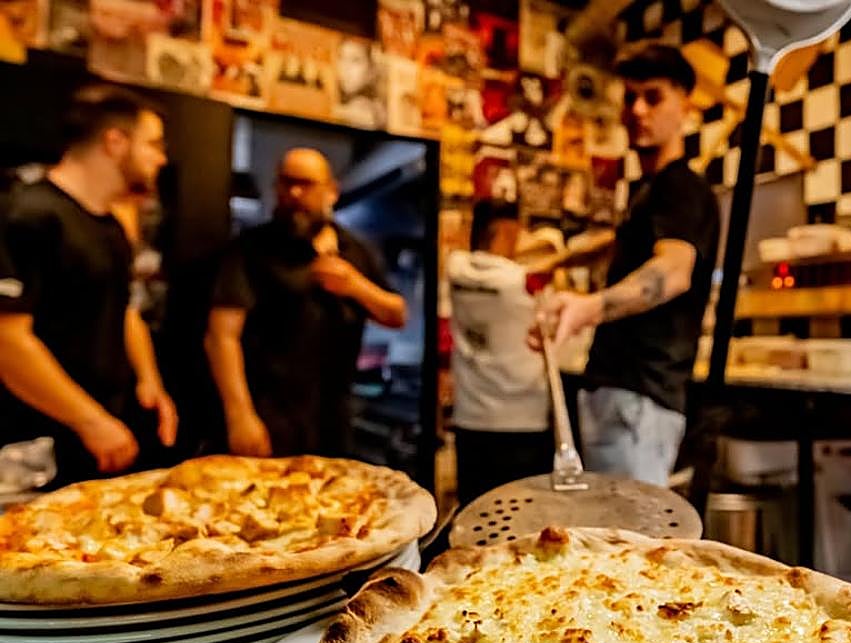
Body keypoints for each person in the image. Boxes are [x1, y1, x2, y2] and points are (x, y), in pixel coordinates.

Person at [530, 45, 719, 486]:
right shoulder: (648, 193)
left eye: (653, 98)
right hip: (621, 394)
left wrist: (587, 308)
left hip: (641, 397)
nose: (637, 111)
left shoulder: (683, 189)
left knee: (625, 546)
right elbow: (614, 240)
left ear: (685, 105)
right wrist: (553, 258)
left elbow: (672, 271)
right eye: (629, 99)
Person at [0, 84, 176, 487]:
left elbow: (124, 307)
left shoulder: (110, 226)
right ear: (115, 142)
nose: (161, 158)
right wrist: (90, 420)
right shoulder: (28, 213)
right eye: (152, 144)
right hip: (33, 444)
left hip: (99, 433)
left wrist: (150, 382)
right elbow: (8, 341)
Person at [205, 148, 408, 458]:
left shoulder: (355, 250)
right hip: (267, 416)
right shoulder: (250, 249)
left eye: (306, 184)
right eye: (286, 183)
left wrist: (355, 286)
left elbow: (397, 314)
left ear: (331, 191)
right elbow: (221, 336)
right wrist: (240, 415)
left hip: (332, 419)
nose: (295, 193)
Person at [448, 201, 553, 503]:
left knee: (473, 509)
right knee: (520, 519)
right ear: (508, 231)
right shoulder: (523, 282)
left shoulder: (456, 268)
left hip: (470, 416)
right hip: (523, 420)